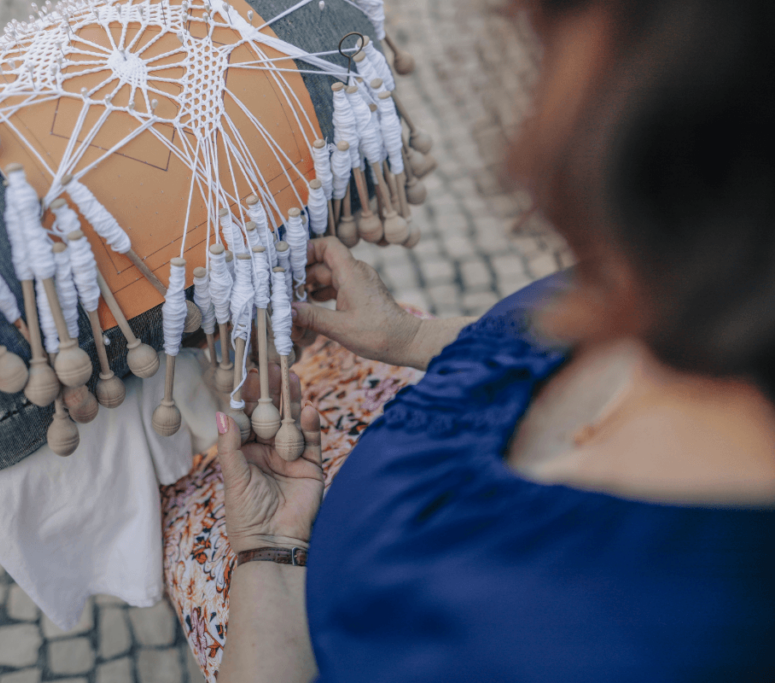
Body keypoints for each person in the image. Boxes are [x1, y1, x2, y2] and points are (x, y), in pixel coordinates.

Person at [212, 0, 775, 680]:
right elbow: (548, 346)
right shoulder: (687, 276)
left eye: (548, 29)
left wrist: (264, 551)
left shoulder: (603, 635)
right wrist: (411, 335)